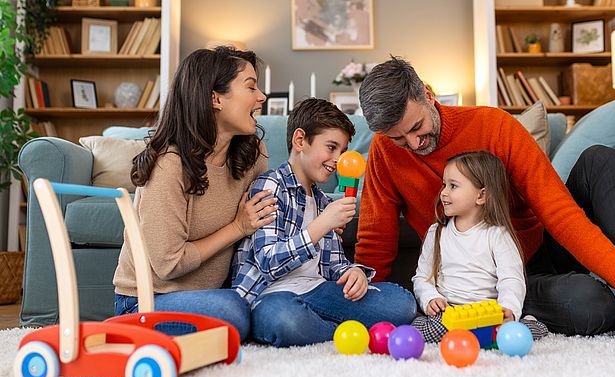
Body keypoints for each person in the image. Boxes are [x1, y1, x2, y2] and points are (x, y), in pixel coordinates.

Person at [355, 56, 615, 344]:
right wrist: (370, 304)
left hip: (538, 250)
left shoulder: (493, 126)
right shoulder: (385, 153)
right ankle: (611, 300)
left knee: (603, 160)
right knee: (592, 307)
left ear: (427, 95)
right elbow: (376, 239)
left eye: (417, 127)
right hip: (487, 285)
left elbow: (559, 212)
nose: (413, 143)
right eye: (398, 138)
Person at [113, 46, 277, 340]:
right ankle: (121, 330)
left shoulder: (253, 154)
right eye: (251, 87)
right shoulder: (169, 165)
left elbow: (269, 217)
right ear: (215, 98)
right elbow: (168, 264)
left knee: (268, 308)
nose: (261, 96)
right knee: (235, 312)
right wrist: (237, 227)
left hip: (214, 296)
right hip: (146, 301)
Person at [231, 98, 416, 348]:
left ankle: (323, 327)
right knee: (285, 322)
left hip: (317, 291)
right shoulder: (271, 185)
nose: (337, 159)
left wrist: (354, 273)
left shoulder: (322, 200)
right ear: (300, 141)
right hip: (272, 295)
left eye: (341, 151)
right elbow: (267, 262)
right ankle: (343, 330)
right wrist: (322, 224)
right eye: (331, 147)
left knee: (402, 304)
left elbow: (333, 266)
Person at [411, 151, 548, 343]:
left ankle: (529, 323)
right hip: (448, 314)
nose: (443, 192)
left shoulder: (497, 235)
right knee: (427, 329)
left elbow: (511, 279)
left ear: (481, 195)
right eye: (444, 184)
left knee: (507, 336)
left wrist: (508, 310)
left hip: (485, 316)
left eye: (453, 186)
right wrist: (430, 299)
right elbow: (422, 277)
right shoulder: (437, 232)